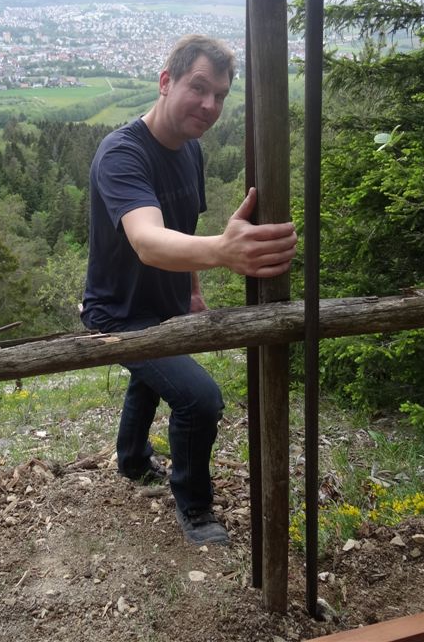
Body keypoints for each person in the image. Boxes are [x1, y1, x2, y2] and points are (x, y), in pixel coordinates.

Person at [81, 34, 297, 546]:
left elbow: (181, 224)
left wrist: (193, 290)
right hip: (119, 313)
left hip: (167, 304)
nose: (209, 105)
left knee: (155, 380)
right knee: (199, 400)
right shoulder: (123, 154)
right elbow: (148, 240)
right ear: (165, 81)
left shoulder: (190, 151)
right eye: (198, 88)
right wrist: (224, 250)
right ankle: (195, 508)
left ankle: (132, 460)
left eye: (220, 95)